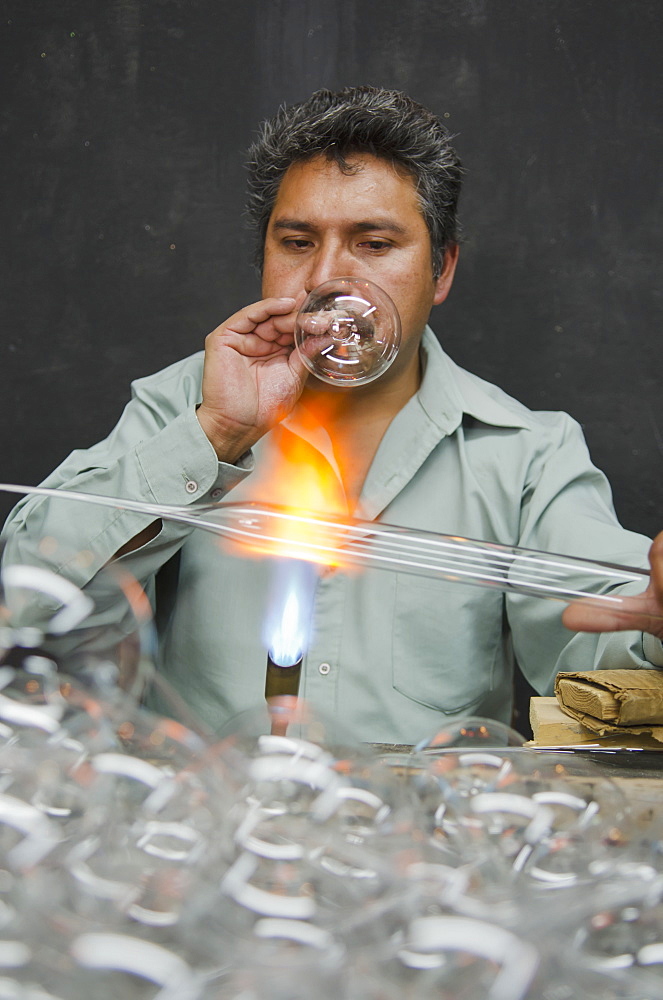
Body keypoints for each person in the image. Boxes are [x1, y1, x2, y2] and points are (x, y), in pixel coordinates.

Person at [2, 86, 662, 743]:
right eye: (296, 242)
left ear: (441, 270)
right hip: (208, 824)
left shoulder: (526, 455)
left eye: (373, 243)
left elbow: (607, 658)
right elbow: (27, 602)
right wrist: (217, 434)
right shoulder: (186, 406)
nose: (327, 278)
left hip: (413, 838)